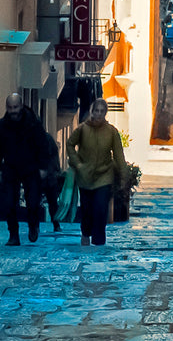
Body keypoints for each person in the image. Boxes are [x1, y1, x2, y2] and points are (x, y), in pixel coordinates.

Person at [67, 99, 129, 247]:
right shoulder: (82, 129)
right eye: (96, 111)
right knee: (87, 209)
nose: (99, 114)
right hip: (85, 177)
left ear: (105, 113)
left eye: (102, 111)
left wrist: (124, 177)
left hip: (104, 175)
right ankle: (86, 233)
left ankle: (99, 240)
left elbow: (119, 155)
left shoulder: (111, 132)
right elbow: (70, 144)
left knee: (101, 208)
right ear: (92, 112)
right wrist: (78, 164)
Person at [0, 93, 48, 246]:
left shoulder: (33, 123)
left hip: (31, 167)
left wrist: (43, 167)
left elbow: (43, 145)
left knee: (33, 202)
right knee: (9, 203)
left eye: (15, 107)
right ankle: (13, 235)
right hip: (10, 167)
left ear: (21, 106)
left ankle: (33, 225)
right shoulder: (2, 125)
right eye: (10, 108)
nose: (13, 111)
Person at [39, 130, 63, 232]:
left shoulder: (44, 139)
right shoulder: (47, 138)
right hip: (48, 175)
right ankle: (56, 225)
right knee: (52, 202)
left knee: (50, 202)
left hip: (46, 175)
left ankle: (36, 226)